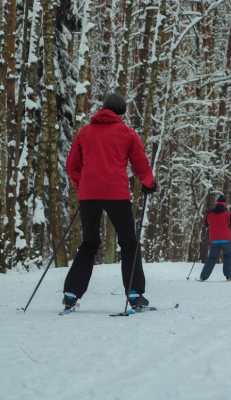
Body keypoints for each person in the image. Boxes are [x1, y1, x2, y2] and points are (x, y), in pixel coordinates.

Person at [62, 93, 157, 312]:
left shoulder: (85, 132)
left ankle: (71, 294)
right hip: (116, 194)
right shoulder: (127, 133)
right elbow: (140, 164)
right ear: (122, 111)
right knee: (128, 243)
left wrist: (82, 184)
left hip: (89, 195)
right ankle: (134, 294)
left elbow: (72, 165)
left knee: (89, 243)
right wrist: (149, 184)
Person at [198, 195, 231, 281]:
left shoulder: (209, 213)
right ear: (225, 204)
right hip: (226, 240)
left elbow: (204, 224)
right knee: (227, 256)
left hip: (213, 240)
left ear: (216, 204)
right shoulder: (227, 213)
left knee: (212, 258)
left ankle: (203, 276)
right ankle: (229, 276)